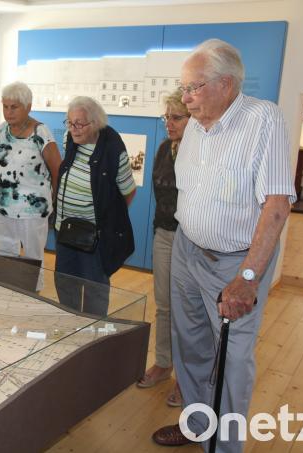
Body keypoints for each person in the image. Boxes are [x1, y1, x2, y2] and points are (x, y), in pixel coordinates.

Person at [151, 39, 295, 451]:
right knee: (190, 345)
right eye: (183, 88)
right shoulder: (195, 125)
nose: (185, 97)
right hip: (187, 250)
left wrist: (247, 277)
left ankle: (225, 446)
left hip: (234, 263)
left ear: (226, 84)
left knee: (232, 360)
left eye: (193, 87)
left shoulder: (262, 120)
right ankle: (197, 424)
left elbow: (277, 205)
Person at [53, 96, 136, 316]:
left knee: (94, 289)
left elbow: (128, 192)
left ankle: (93, 335)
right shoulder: (68, 139)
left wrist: (107, 216)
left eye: (79, 123)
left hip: (95, 236)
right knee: (65, 283)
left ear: (95, 123)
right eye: (70, 123)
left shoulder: (113, 151)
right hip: (65, 231)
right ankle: (69, 326)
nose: (74, 129)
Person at [136, 88, 189, 406]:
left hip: (192, 239)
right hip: (165, 234)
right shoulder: (162, 149)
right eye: (166, 116)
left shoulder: (200, 151)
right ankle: (164, 362)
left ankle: (188, 380)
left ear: (192, 118)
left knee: (188, 312)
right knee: (164, 305)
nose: (168, 123)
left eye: (176, 117)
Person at [0, 81, 62, 289]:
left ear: (28, 107)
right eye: (5, 106)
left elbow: (57, 169)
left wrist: (56, 204)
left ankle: (33, 298)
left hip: (33, 210)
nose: (9, 112)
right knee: (4, 255)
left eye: (14, 107)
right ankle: (7, 294)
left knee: (33, 258)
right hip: (3, 208)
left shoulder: (41, 133)